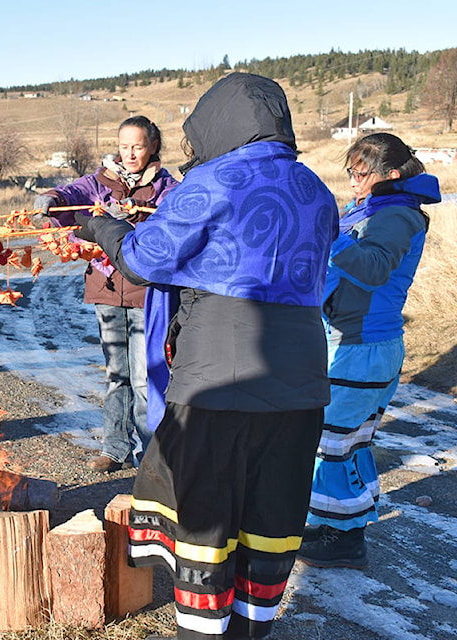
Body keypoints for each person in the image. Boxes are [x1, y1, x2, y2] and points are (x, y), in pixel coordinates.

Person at [76, 73, 339, 639]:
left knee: (206, 516)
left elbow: (146, 259)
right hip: (301, 378)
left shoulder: (216, 179)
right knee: (268, 511)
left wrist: (102, 226)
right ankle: (252, 630)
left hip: (219, 376)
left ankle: (202, 632)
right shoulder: (316, 187)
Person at [298, 134, 440, 570]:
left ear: (391, 176)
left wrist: (329, 237)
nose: (354, 183)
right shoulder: (375, 209)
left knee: (333, 443)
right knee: (345, 442)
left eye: (362, 173)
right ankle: (336, 524)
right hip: (354, 339)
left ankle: (342, 538)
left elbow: (374, 267)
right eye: (351, 173)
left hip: (364, 344)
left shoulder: (395, 214)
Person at [33, 116, 178, 471]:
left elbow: (179, 217)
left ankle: (150, 455)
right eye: (125, 145)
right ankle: (115, 447)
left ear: (152, 147)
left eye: (138, 146)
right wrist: (50, 198)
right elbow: (70, 195)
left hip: (148, 293)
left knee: (146, 377)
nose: (130, 153)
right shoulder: (100, 181)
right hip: (107, 288)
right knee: (117, 374)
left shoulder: (166, 187)